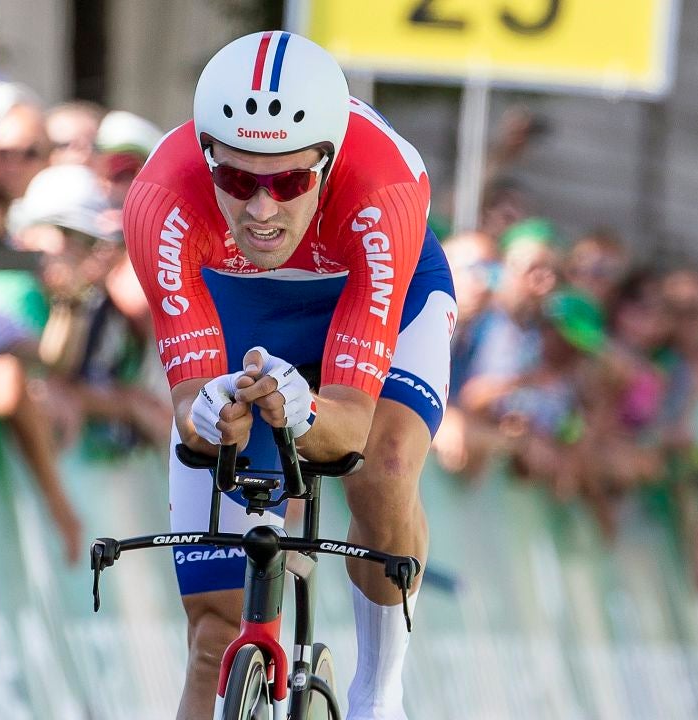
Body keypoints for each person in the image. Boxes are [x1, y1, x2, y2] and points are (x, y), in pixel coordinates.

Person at [123, 32, 455, 720]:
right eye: (236, 180)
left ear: (327, 162)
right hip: (241, 312)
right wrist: (209, 411)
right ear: (206, 156)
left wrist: (305, 411)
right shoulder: (160, 200)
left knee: (385, 464)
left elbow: (350, 427)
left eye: (290, 181)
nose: (261, 208)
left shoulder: (383, 188)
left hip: (374, 297)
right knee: (215, 638)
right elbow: (189, 411)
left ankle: (378, 693)